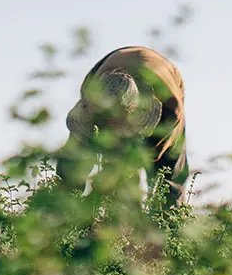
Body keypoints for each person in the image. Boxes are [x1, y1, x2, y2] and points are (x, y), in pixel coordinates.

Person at [56, 46, 188, 203]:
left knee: (167, 180)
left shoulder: (169, 109)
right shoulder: (93, 93)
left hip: (165, 75)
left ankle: (167, 224)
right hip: (108, 64)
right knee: (72, 163)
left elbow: (148, 156)